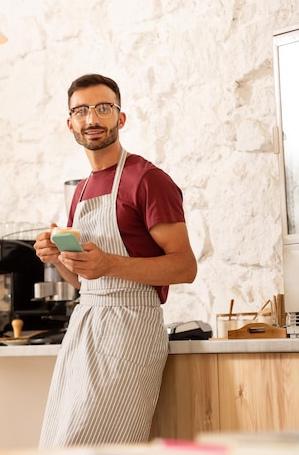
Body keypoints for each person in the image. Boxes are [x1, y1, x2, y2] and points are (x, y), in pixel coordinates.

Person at [34, 73, 197, 447]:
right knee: (58, 444)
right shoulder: (81, 190)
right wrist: (57, 258)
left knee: (93, 446)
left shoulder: (148, 180)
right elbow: (86, 280)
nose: (92, 119)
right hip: (85, 326)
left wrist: (112, 264)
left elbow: (185, 267)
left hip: (130, 329)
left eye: (103, 108)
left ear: (120, 118)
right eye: (82, 111)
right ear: (70, 122)